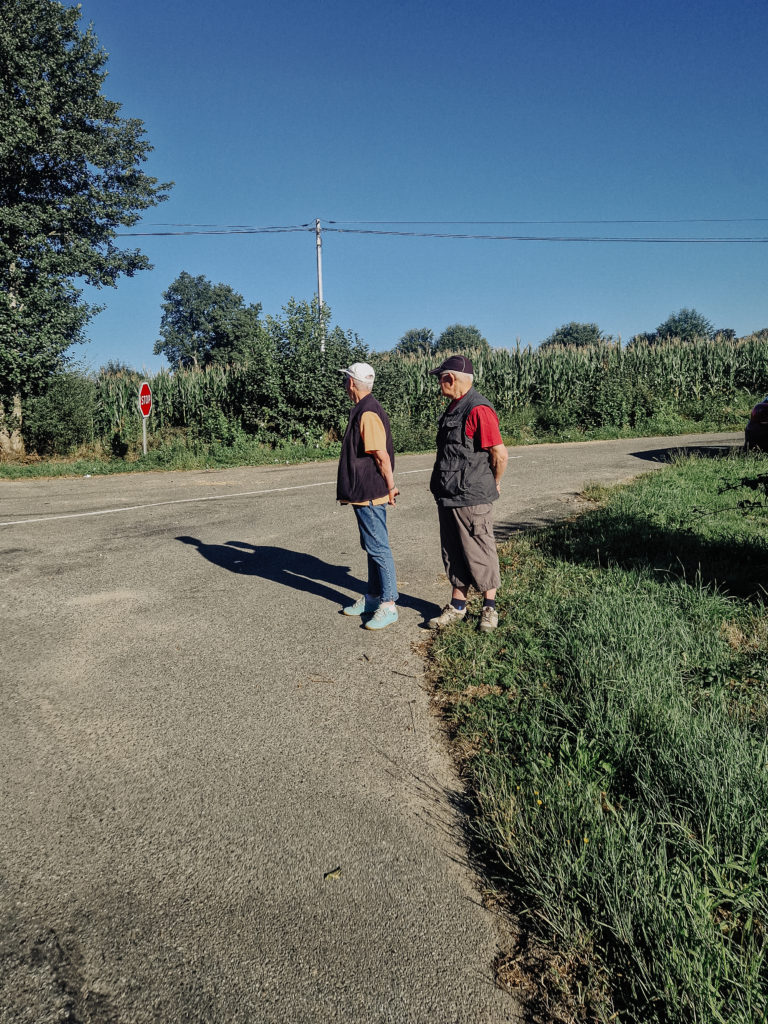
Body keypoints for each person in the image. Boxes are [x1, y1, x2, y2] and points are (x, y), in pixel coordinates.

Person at [427, 355, 508, 633]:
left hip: (473, 496)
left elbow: (499, 454)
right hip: (448, 494)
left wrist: (494, 482)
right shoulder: (454, 407)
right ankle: (458, 606)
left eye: (441, 378)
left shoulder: (478, 409)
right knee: (453, 551)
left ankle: (489, 609)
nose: (439, 383)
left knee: (480, 550)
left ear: (451, 379)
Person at [336, 362, 400, 630]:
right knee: (371, 546)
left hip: (370, 492)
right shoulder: (363, 408)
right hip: (363, 493)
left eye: (346, 380)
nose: (345, 385)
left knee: (379, 547)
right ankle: (373, 597)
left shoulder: (368, 412)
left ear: (352, 383)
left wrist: (391, 486)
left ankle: (389, 604)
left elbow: (380, 455)